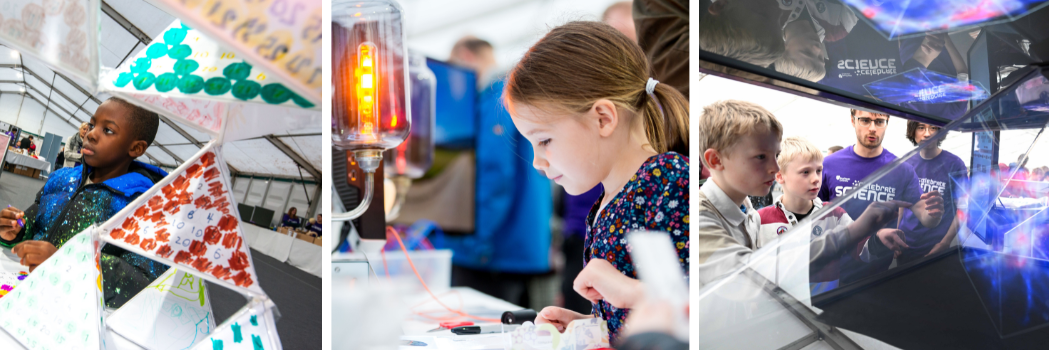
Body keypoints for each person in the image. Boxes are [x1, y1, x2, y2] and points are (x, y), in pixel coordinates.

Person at [505, 21, 689, 341]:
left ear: (603, 118)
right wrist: (588, 325)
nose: (537, 162)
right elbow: (632, 316)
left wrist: (627, 290)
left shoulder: (669, 181)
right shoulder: (605, 201)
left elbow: (692, 309)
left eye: (545, 140)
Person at [696, 100, 907, 287]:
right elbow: (747, 277)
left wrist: (873, 238)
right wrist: (852, 232)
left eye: (777, 155)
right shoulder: (699, 218)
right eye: (761, 156)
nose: (775, 166)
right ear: (716, 160)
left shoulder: (746, 209)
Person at [0, 97, 169, 308]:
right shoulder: (61, 179)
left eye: (108, 130)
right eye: (92, 124)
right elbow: (33, 223)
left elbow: (145, 281)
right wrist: (15, 230)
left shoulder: (144, 207)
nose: (91, 134)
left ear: (136, 148)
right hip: (23, 292)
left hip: (75, 314)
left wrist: (68, 263)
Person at [758, 136, 907, 293]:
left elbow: (859, 249)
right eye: (805, 172)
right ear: (780, 176)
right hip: (777, 309)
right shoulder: (760, 220)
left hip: (825, 304)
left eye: (819, 170)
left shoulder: (833, 213)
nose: (816, 179)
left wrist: (878, 239)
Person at [818, 110, 944, 283]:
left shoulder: (901, 169)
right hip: (834, 269)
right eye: (865, 120)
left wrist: (934, 213)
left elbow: (925, 215)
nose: (872, 128)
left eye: (879, 122)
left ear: (887, 123)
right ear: (853, 121)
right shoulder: (830, 164)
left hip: (877, 270)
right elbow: (813, 213)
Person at [896, 121, 967, 263]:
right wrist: (897, 235)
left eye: (933, 128)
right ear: (913, 131)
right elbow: (901, 205)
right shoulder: (906, 162)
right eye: (921, 128)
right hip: (906, 245)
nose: (927, 134)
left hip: (936, 247)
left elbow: (964, 208)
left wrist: (945, 243)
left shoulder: (955, 164)